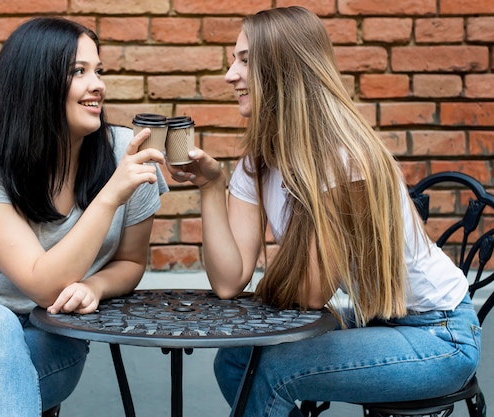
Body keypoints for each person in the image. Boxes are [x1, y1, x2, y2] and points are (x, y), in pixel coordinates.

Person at [167, 6, 480, 417]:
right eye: (232, 60)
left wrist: (271, 288)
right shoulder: (258, 163)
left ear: (283, 69)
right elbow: (229, 283)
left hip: (438, 336)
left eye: (244, 60)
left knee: (271, 368)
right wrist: (211, 187)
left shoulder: (344, 160)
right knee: (235, 359)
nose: (230, 75)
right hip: (378, 321)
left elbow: (312, 291)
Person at [0, 17, 168, 417]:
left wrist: (94, 285)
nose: (98, 85)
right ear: (35, 82)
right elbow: (44, 284)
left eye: (98, 70)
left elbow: (130, 262)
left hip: (51, 332)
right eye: (79, 71)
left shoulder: (124, 151)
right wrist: (110, 195)